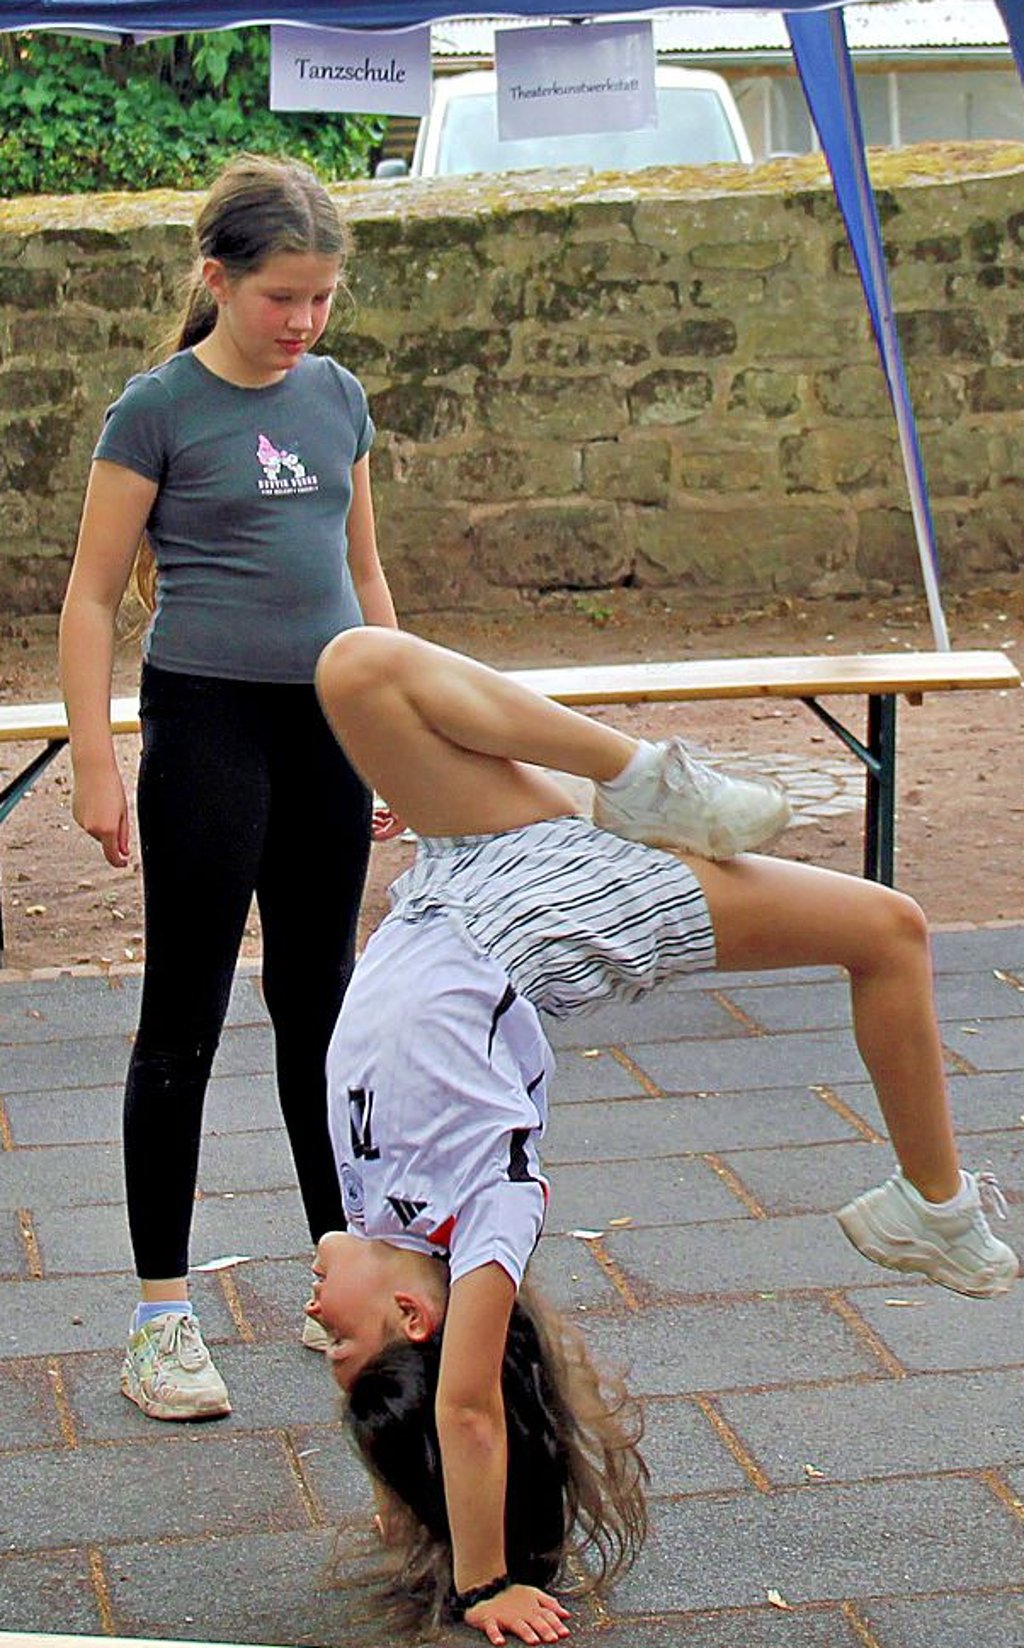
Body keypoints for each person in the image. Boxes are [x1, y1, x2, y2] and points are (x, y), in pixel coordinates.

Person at [304, 625, 1019, 1646]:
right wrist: (480, 1584)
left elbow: (415, 1404)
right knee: (889, 931)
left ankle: (643, 780)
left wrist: (399, 1493)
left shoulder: (374, 1205)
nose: (314, 1313)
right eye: (339, 1336)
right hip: (544, 923)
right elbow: (463, 1410)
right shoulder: (484, 1217)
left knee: (358, 666)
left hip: (458, 876)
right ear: (415, 1315)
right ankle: (936, 1207)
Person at [58, 155, 398, 1423]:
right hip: (207, 727)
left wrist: (396, 732)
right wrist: (97, 762)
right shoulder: (157, 409)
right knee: (183, 1015)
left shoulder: (338, 397)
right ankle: (161, 1316)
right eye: (280, 297)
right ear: (218, 278)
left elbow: (366, 577)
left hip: (328, 726)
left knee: (323, 1007)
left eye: (321, 297)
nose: (303, 320)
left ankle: (339, 1279)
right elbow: (91, 595)